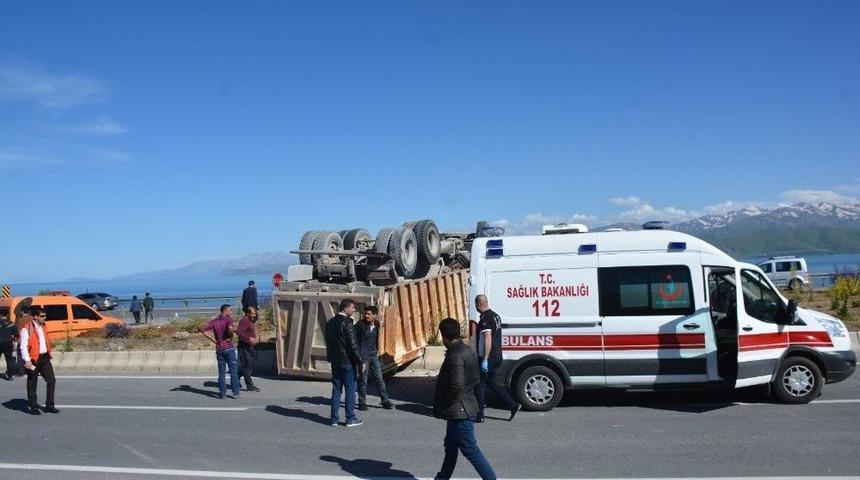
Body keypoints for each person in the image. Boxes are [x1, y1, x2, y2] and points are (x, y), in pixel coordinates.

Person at [433, 317, 496, 480]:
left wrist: (442, 403)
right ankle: (442, 477)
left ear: (444, 335)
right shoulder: (467, 349)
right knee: (450, 448)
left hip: (459, 412)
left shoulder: (455, 355)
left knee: (471, 450)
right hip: (461, 409)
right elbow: (475, 379)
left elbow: (456, 387)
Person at [473, 295, 520, 422]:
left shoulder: (485, 319)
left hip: (489, 357)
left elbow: (488, 338)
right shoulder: (495, 316)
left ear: (478, 304)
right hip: (497, 355)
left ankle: (479, 414)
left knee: (479, 384)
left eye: (475, 304)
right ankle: (513, 405)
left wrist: (485, 359)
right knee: (492, 383)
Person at [324, 299, 364, 427]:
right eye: (352, 307)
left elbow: (329, 343)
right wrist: (360, 361)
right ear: (345, 308)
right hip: (347, 361)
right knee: (350, 390)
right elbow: (352, 344)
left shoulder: (330, 323)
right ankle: (350, 418)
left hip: (335, 361)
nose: (353, 310)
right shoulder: (347, 323)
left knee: (336, 389)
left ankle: (333, 419)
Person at [19, 306, 59, 415]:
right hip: (33, 359)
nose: (44, 317)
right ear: (35, 317)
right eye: (42, 316)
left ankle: (49, 406)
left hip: (44, 357)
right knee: (32, 383)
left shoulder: (44, 326)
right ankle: (33, 407)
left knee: (51, 380)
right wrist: (27, 360)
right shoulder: (26, 328)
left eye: (45, 315)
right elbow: (23, 346)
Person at [355, 306, 393, 410]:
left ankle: (385, 400)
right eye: (365, 314)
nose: (366, 316)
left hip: (373, 355)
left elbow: (376, 339)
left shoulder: (376, 324)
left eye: (369, 314)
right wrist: (359, 358)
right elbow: (355, 342)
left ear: (375, 316)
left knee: (379, 379)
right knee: (363, 380)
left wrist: (376, 351)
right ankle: (362, 402)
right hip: (363, 357)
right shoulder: (360, 325)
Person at [199, 304, 240, 399]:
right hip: (229, 347)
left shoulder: (213, 322)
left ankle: (223, 393)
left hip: (219, 348)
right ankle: (235, 392)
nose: (231, 312)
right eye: (230, 310)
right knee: (233, 371)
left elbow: (202, 329)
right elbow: (230, 331)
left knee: (221, 372)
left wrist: (214, 340)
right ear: (225, 311)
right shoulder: (228, 320)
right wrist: (231, 335)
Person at [236, 306, 260, 392]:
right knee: (247, 366)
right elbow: (239, 332)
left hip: (250, 347)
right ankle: (249, 385)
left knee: (248, 365)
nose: (254, 315)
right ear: (247, 313)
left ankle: (235, 379)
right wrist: (250, 339)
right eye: (253, 313)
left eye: (255, 313)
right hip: (245, 347)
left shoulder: (250, 319)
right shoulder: (244, 320)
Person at [0, 312, 18, 381]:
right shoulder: (11, 323)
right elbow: (16, 334)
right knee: (9, 360)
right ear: (7, 315)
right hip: (8, 344)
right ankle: (10, 376)